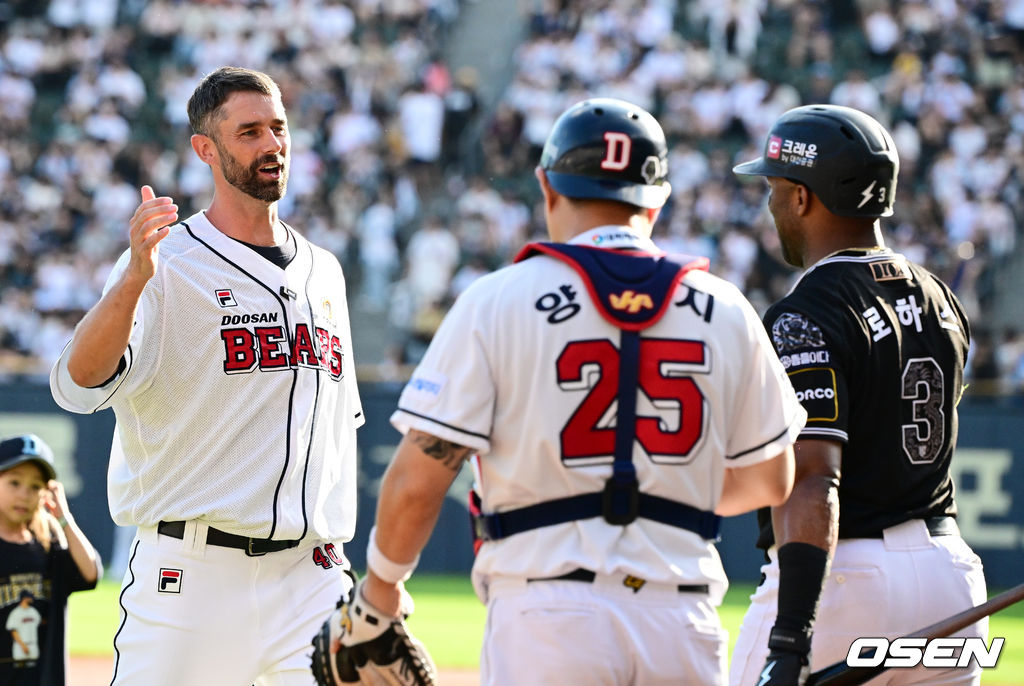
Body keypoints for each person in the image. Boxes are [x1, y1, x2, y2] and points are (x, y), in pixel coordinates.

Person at [315, 98, 805, 686]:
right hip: (682, 616)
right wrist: (663, 483)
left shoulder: (497, 298)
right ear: (660, 198)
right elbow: (770, 481)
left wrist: (381, 591)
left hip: (548, 614)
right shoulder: (726, 307)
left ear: (547, 186)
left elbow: (419, 481)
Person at [49, 66, 363, 685]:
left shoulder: (324, 271)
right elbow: (77, 384)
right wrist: (134, 280)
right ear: (206, 149)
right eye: (249, 132)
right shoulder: (166, 263)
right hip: (194, 573)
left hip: (311, 578)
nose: (272, 144)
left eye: (278, 128)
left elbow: (338, 430)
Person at [729, 104, 987, 686]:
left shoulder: (807, 310)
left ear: (802, 198)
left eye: (774, 187)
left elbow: (814, 476)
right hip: (949, 580)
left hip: (845, 579)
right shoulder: (940, 296)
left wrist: (792, 637)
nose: (769, 204)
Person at [0, 433, 101, 686]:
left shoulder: (48, 547)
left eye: (35, 486)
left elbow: (91, 573)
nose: (24, 494)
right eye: (14, 482)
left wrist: (64, 518)